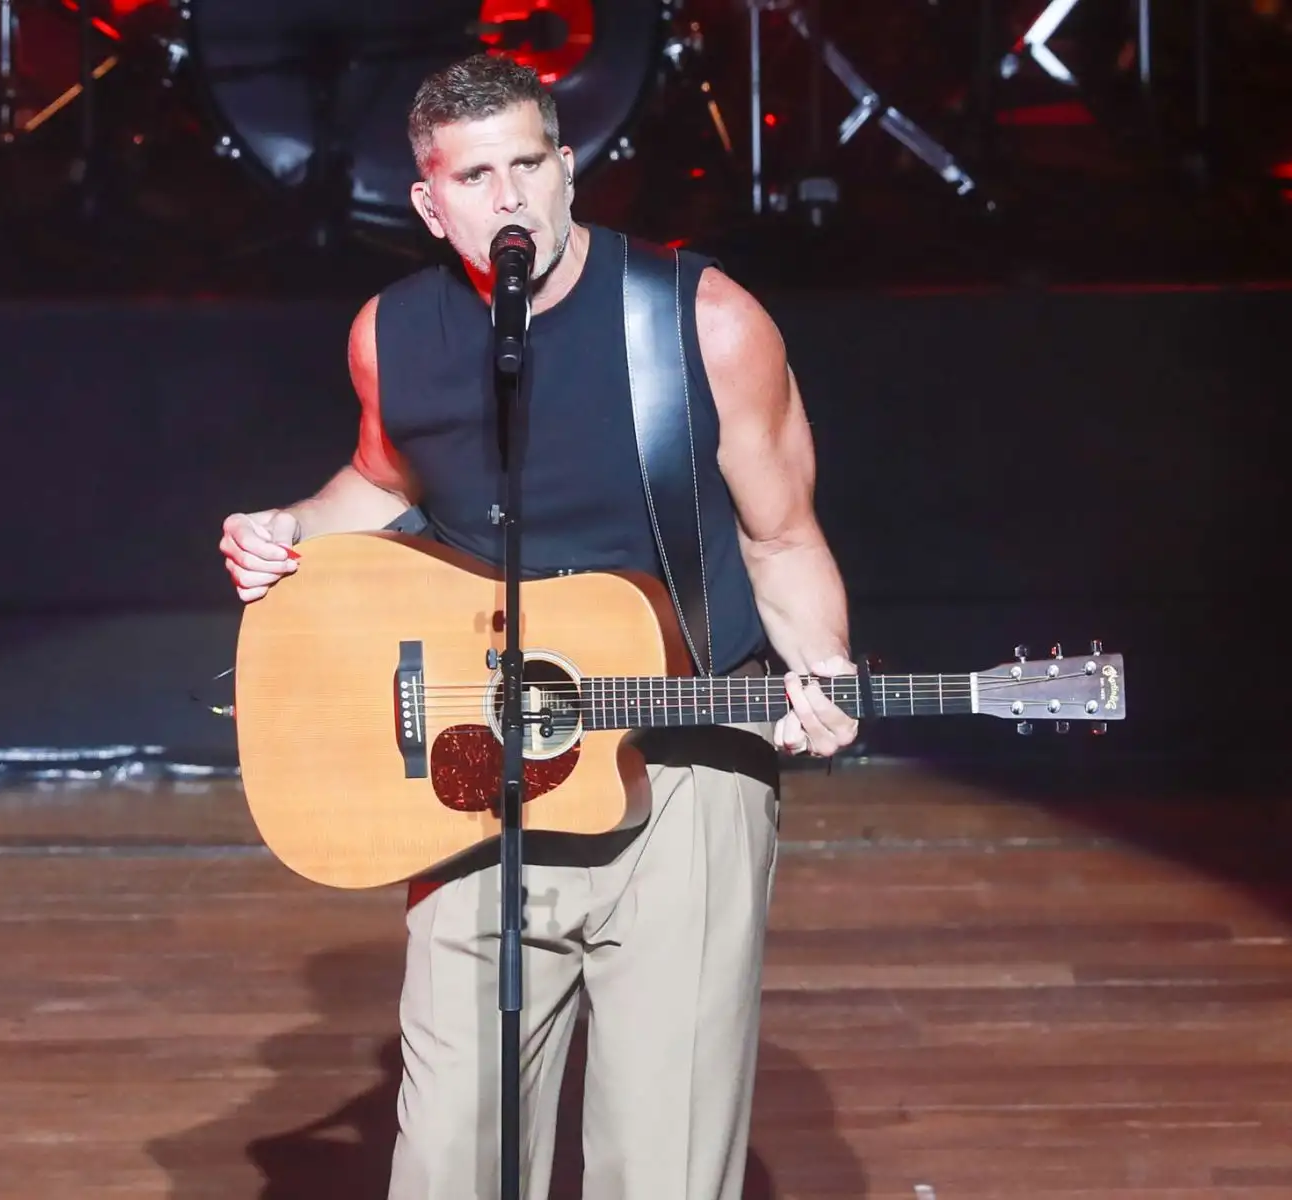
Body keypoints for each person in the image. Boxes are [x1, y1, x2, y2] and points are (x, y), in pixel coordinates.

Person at [219, 53, 859, 1200]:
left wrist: (826, 672)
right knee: (451, 1161)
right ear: (430, 204)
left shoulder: (701, 320)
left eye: (529, 165)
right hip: (479, 769)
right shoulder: (392, 334)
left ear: (569, 168)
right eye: (475, 177)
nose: (510, 198)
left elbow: (782, 537)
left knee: (661, 1164)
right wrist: (291, 527)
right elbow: (381, 476)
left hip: (680, 755)